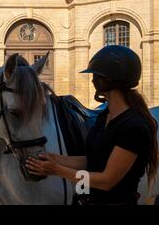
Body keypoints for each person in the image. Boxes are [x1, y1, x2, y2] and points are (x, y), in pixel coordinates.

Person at [26, 45, 158, 205]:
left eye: (96, 75)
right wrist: (57, 158)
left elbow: (107, 180)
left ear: (108, 80)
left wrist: (56, 170)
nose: (93, 79)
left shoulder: (133, 127)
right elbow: (93, 160)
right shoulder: (105, 116)